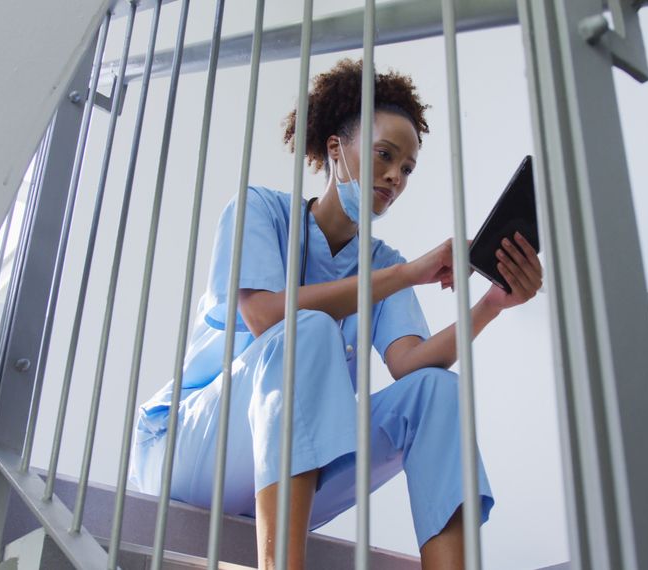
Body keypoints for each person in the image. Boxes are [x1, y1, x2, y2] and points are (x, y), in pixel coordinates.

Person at [129, 58, 543, 570]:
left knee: (439, 391)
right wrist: (407, 275)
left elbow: (409, 364)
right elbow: (263, 316)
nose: (395, 176)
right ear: (334, 149)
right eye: (384, 155)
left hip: (295, 464)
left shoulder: (382, 262)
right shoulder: (257, 209)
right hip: (190, 450)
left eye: (407, 169)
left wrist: (490, 306)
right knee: (306, 330)